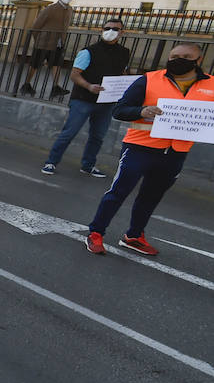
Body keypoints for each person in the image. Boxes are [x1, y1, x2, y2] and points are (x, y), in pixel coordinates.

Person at [84, 42, 214, 256]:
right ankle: (96, 233)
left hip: (176, 152)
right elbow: (120, 110)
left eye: (185, 56)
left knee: (151, 197)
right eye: (173, 56)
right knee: (118, 192)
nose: (178, 60)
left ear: (198, 60)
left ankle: (134, 236)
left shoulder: (211, 84)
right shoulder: (148, 79)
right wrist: (143, 111)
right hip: (140, 147)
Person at [42, 18, 131, 177]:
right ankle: (51, 162)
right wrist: (89, 86)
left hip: (106, 102)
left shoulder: (124, 53)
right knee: (69, 132)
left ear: (122, 33)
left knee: (98, 136)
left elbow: (122, 73)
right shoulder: (88, 52)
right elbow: (75, 75)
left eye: (116, 29)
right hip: (83, 100)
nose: (111, 31)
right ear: (101, 30)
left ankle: (88, 165)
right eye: (107, 28)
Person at [19, 0, 75, 97]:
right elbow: (36, 25)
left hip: (58, 43)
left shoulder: (69, 9)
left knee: (56, 64)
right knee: (35, 64)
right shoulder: (50, 9)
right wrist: (38, 39)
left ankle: (56, 87)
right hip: (44, 42)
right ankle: (26, 85)